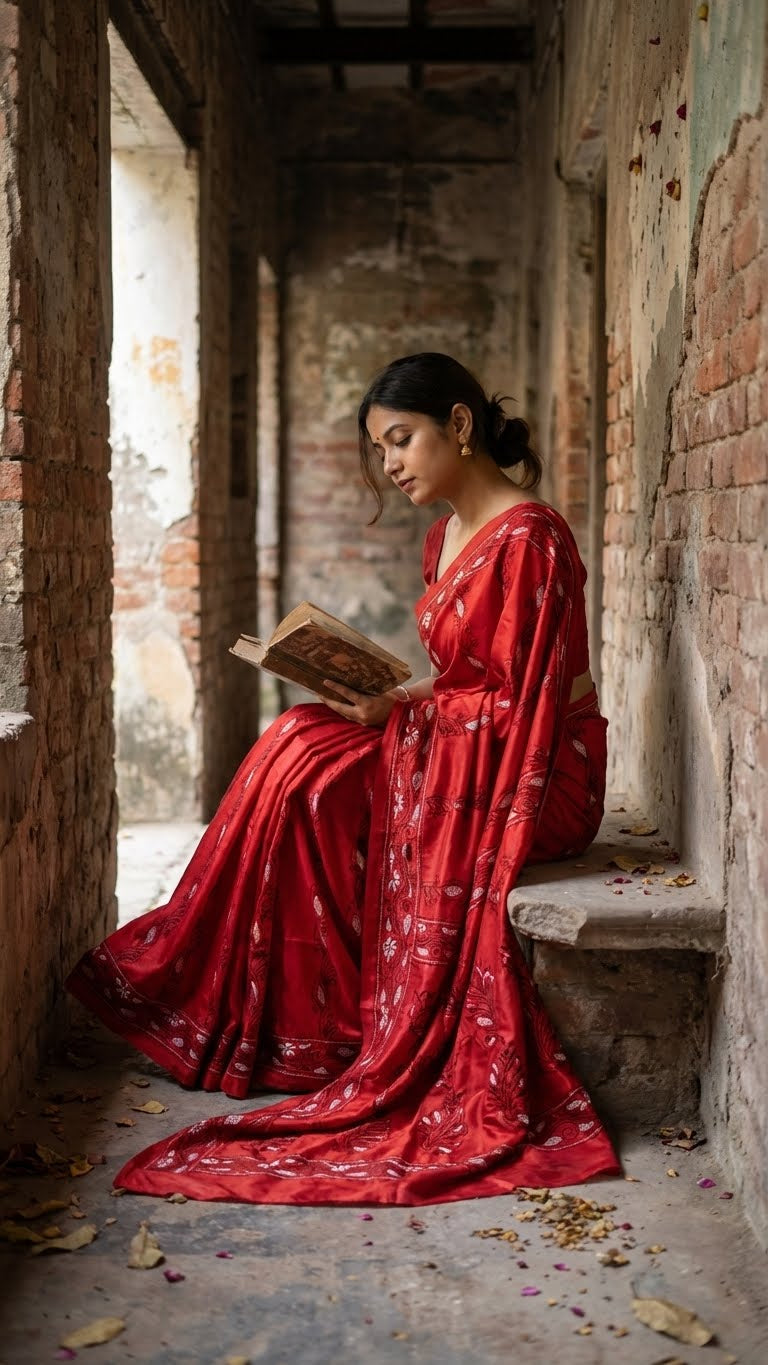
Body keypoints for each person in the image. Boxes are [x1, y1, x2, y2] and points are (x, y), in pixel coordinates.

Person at [66, 352, 621, 1204]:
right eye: (381, 448)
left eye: (401, 440)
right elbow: (467, 675)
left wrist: (405, 717)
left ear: (460, 426)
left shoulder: (533, 537)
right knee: (295, 739)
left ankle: (322, 1032)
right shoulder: (446, 536)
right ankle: (269, 1019)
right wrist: (397, 694)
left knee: (319, 784)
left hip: (543, 775)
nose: (390, 464)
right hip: (468, 738)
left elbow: (527, 707)